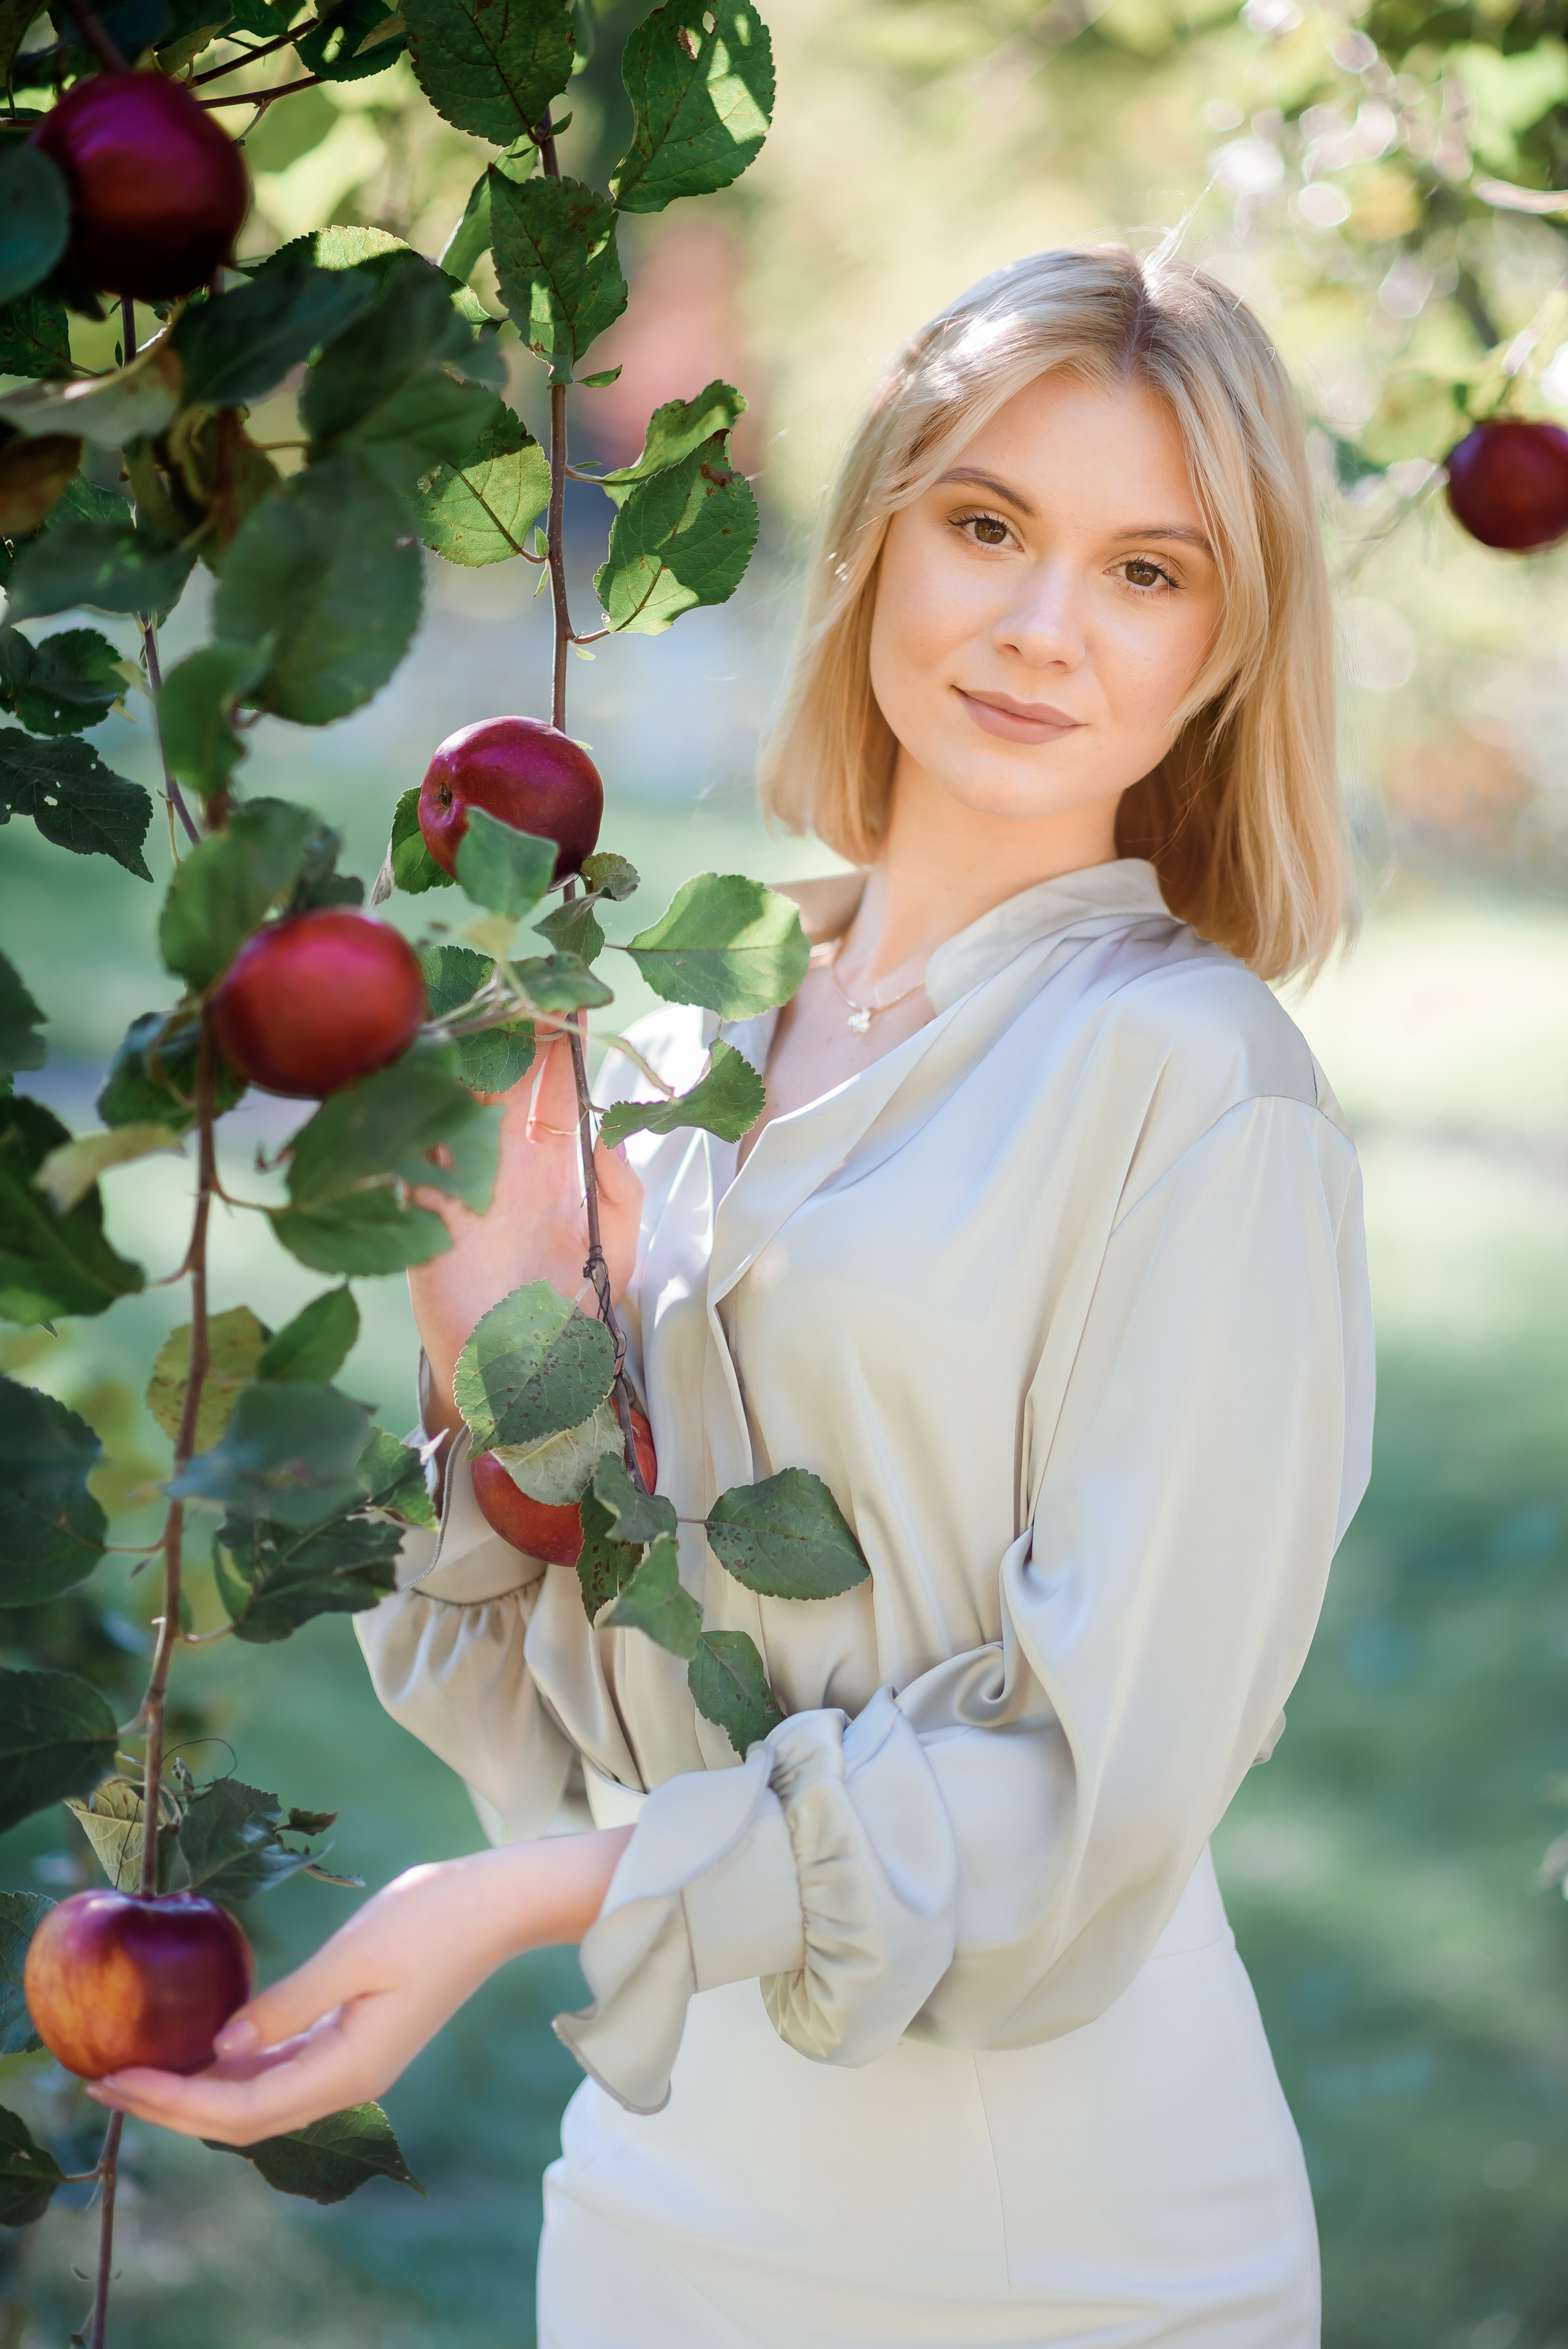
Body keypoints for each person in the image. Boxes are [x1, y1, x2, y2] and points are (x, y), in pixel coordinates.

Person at [92, 242, 1374, 2348]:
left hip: (1059, 2252)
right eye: (988, 526)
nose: (1043, 625)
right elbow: (585, 1699)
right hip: (656, 2205)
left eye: (1148, 571)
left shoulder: (1202, 1085)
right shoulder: (680, 1020)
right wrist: (506, 1384)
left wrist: (521, 1905)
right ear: (877, 536)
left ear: (1224, 648)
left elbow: (1089, 1790)